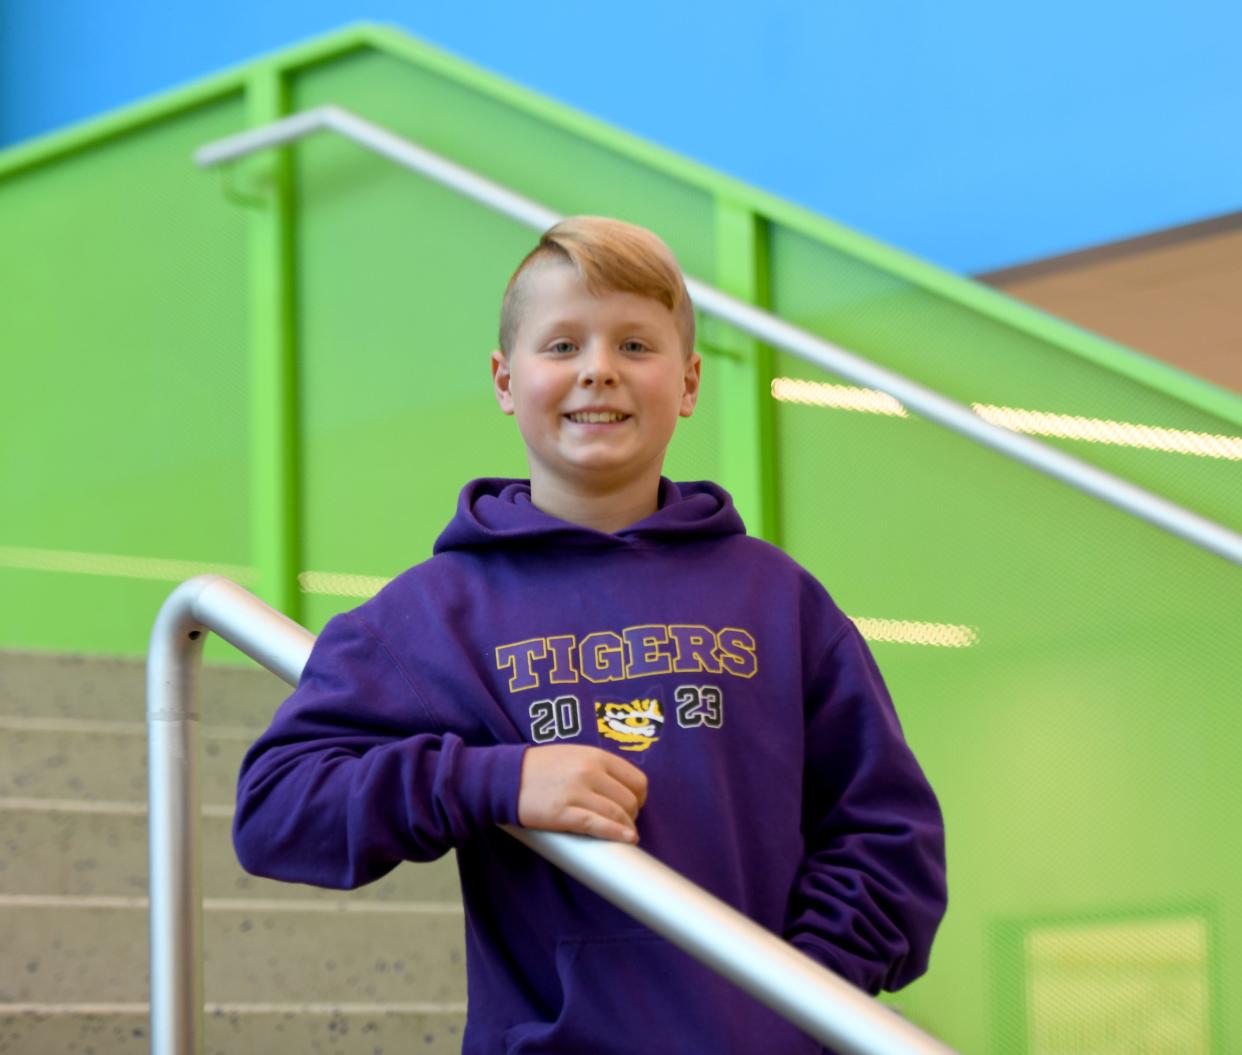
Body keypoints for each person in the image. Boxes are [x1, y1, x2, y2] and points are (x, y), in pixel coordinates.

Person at [233, 216, 947, 1054]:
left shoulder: (777, 599)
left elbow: (890, 839)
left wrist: (796, 998)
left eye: (635, 346)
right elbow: (277, 808)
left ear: (687, 383)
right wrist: (492, 781)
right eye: (562, 345)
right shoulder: (433, 616)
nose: (598, 370)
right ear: (506, 379)